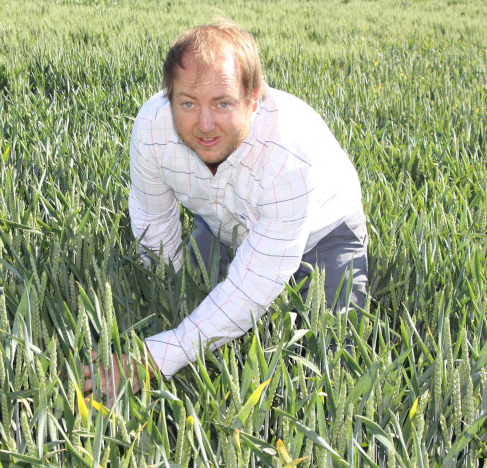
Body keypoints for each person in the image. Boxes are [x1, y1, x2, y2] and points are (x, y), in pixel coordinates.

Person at [84, 20, 367, 403]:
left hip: (324, 234)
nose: (204, 124)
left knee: (333, 360)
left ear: (254, 98)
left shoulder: (288, 155)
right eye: (187, 103)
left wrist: (152, 358)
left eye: (223, 103)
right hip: (223, 227)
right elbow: (155, 224)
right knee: (194, 300)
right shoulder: (152, 128)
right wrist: (168, 296)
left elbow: (255, 286)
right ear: (168, 97)